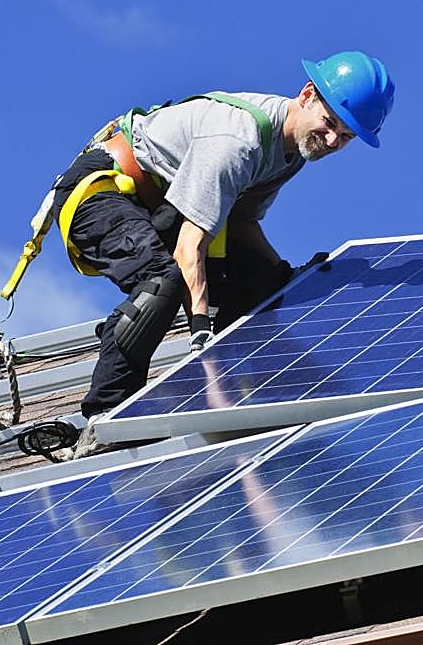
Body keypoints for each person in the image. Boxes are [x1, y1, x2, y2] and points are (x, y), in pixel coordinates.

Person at [50, 51, 394, 457]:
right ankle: (106, 419)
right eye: (330, 123)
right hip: (99, 191)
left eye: (347, 136)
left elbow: (242, 224)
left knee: (264, 284)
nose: (333, 140)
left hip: (158, 209)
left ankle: (248, 389)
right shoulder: (239, 140)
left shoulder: (290, 155)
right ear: (306, 95)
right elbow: (188, 248)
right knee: (163, 281)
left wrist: (283, 274)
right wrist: (200, 335)